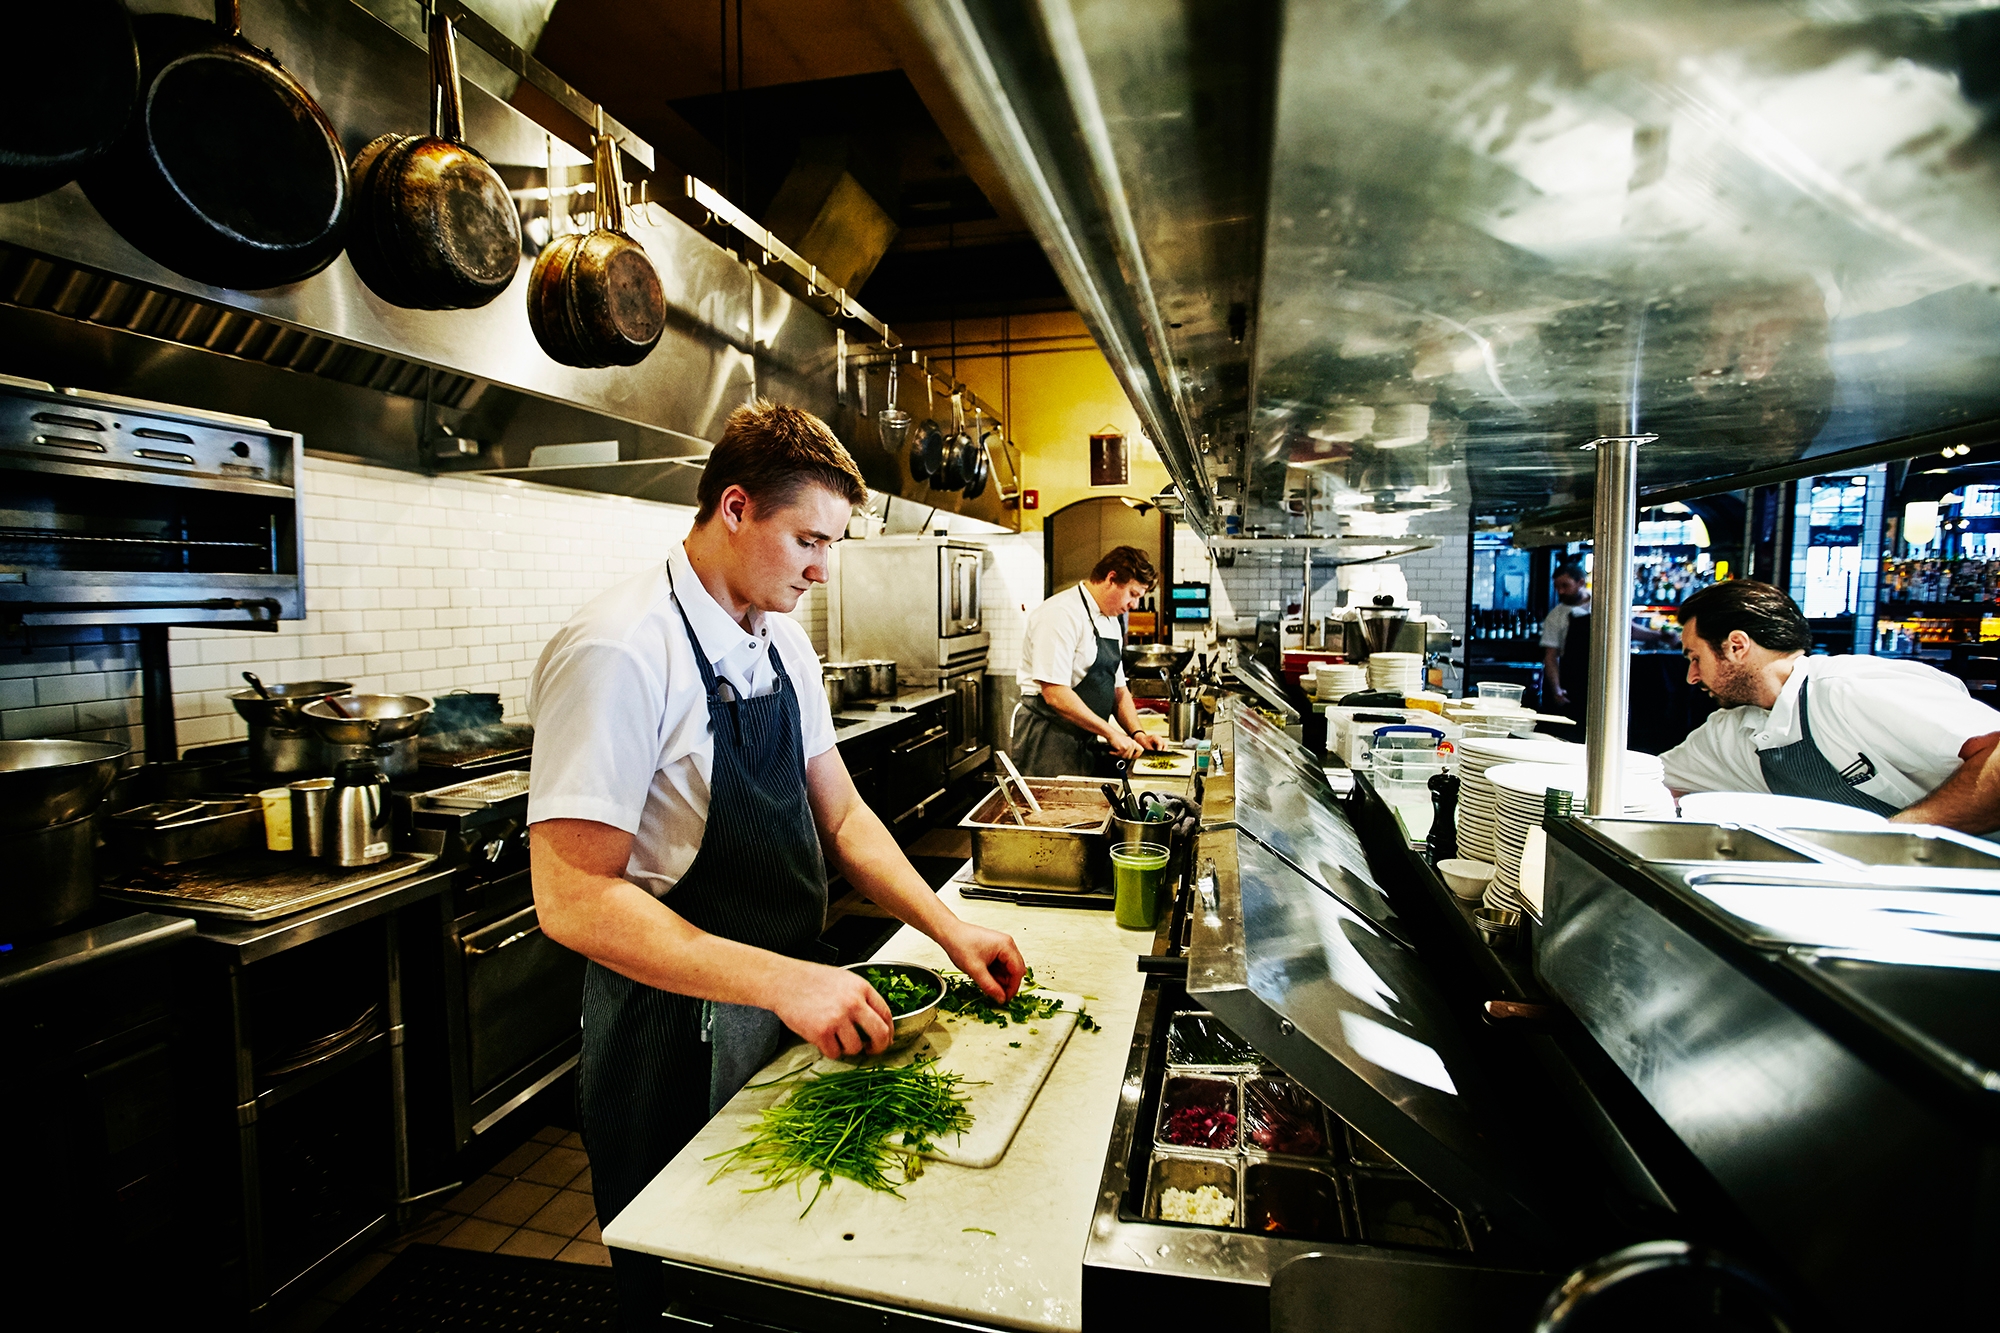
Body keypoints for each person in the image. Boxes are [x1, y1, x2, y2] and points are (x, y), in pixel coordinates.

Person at [525, 402, 1026, 1327]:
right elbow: (574, 899)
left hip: (786, 1005)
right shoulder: (620, 648)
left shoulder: (782, 640)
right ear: (735, 508)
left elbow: (845, 817)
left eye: (832, 544)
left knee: (782, 1271)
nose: (823, 568)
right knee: (684, 1289)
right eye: (808, 540)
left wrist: (948, 929)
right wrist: (784, 981)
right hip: (671, 1031)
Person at [1662, 579, 2000, 830]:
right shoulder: (1732, 731)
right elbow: (1649, 783)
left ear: (1737, 646)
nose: (1692, 676)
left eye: (1695, 658)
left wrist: (1896, 838)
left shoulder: (1850, 688)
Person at [1011, 545, 1167, 777]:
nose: (1134, 605)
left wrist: (1138, 734)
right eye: (1133, 594)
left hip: (1085, 738)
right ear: (1111, 579)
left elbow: (1119, 691)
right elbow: (1055, 694)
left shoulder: (1111, 619)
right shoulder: (1060, 614)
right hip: (1048, 739)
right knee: (1048, 801)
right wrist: (1111, 733)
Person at [1540, 562, 1675, 720]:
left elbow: (1628, 630)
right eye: (1557, 587)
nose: (1560, 591)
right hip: (1575, 683)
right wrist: (1556, 689)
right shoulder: (1555, 616)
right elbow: (1550, 656)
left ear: (1581, 582)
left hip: (1610, 678)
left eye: (1565, 585)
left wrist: (1660, 635)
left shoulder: (1605, 605)